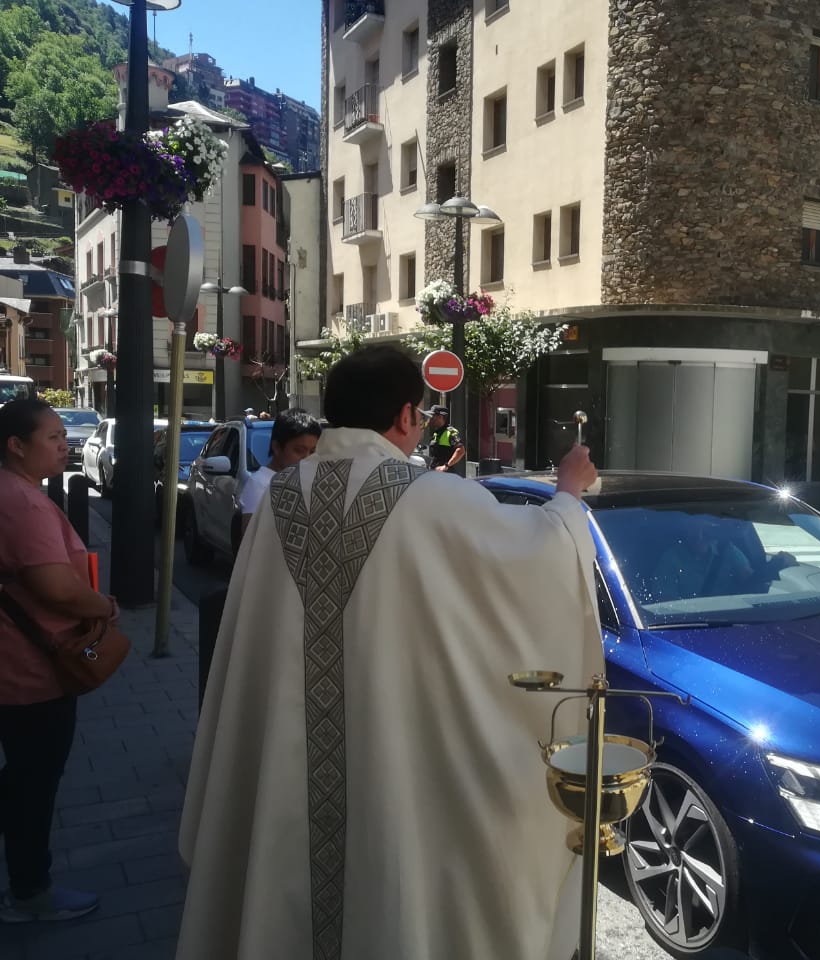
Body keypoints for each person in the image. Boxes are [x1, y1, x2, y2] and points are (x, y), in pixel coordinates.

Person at [177, 345, 603, 960]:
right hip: (392, 758)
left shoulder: (280, 496)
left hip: (287, 765)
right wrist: (568, 494)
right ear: (405, 415)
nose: (422, 428)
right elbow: (536, 558)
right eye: (423, 416)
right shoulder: (430, 496)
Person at [0, 399, 116, 923]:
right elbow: (56, 588)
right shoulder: (21, 503)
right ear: (16, 446)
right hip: (31, 670)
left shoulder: (16, 492)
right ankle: (30, 892)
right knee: (35, 781)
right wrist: (104, 606)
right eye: (52, 437)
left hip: (20, 663)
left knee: (26, 774)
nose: (64, 443)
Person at [238, 407, 322, 535]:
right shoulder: (260, 485)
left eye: (312, 451)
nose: (307, 458)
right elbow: (252, 538)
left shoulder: (309, 480)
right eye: (299, 450)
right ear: (277, 447)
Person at [422, 402, 465, 473]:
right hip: (435, 473)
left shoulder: (450, 432)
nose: (430, 418)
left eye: (432, 416)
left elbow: (461, 450)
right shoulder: (437, 433)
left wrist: (446, 466)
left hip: (445, 475)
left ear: (440, 417)